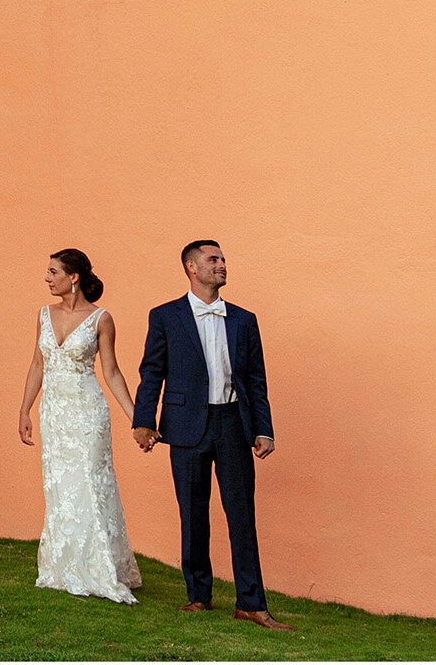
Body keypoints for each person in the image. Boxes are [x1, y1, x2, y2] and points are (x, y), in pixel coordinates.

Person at [131, 240, 290, 630]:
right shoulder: (165, 316)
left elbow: (256, 379)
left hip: (233, 424)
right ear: (191, 267)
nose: (222, 265)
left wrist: (263, 429)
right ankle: (198, 596)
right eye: (213, 259)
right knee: (193, 513)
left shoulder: (243, 319)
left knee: (241, 514)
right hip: (185, 427)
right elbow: (152, 372)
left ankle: (251, 603)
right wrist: (143, 420)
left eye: (223, 259)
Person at [17, 248, 142, 604]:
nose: (47, 278)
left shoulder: (101, 319)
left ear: (73, 277)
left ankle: (101, 566)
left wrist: (137, 418)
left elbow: (112, 372)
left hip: (88, 413)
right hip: (54, 413)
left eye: (53, 271)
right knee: (59, 485)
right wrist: (25, 409)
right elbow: (37, 364)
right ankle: (64, 565)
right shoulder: (43, 315)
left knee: (90, 481)